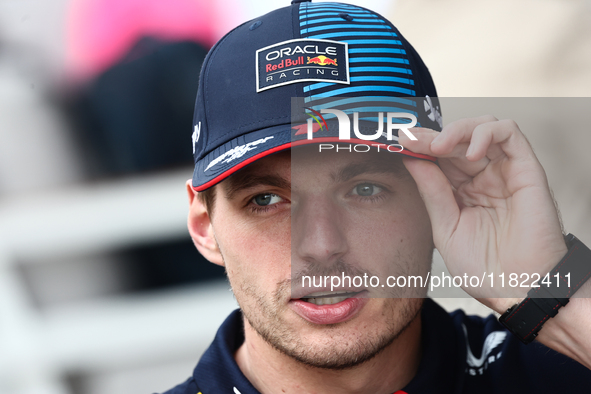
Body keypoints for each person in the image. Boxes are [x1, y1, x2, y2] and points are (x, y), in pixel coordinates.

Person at [160, 1, 591, 393]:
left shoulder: (558, 371)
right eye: (266, 200)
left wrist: (552, 293)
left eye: (366, 190)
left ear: (437, 197)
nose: (321, 246)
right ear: (205, 226)